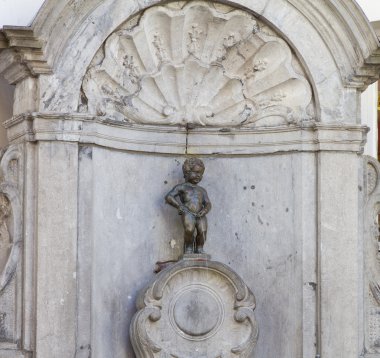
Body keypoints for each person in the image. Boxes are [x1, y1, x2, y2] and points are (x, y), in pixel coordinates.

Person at [165, 158, 212, 254]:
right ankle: (189, 247)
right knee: (189, 230)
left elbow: (208, 203)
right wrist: (179, 206)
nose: (199, 175)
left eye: (201, 173)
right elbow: (169, 197)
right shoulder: (182, 187)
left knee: (203, 232)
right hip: (188, 212)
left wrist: (205, 210)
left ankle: (199, 248)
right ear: (187, 172)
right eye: (196, 172)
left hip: (200, 214)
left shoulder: (202, 190)